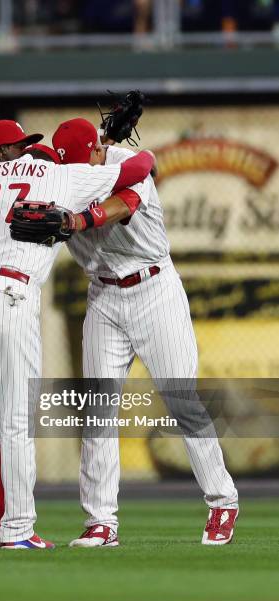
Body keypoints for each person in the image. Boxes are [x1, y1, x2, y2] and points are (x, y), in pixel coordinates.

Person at [0, 118, 154, 550]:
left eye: (26, 145)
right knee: (16, 419)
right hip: (9, 291)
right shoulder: (57, 175)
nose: (24, 150)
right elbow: (139, 170)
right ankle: (17, 530)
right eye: (16, 145)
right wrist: (126, 148)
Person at [49, 118, 239, 547]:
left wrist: (76, 222)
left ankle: (223, 500)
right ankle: (101, 522)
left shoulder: (127, 165)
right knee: (97, 407)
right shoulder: (61, 179)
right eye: (72, 167)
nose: (80, 172)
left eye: (86, 162)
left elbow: (123, 204)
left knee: (181, 399)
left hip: (155, 290)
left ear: (99, 150)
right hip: (103, 296)